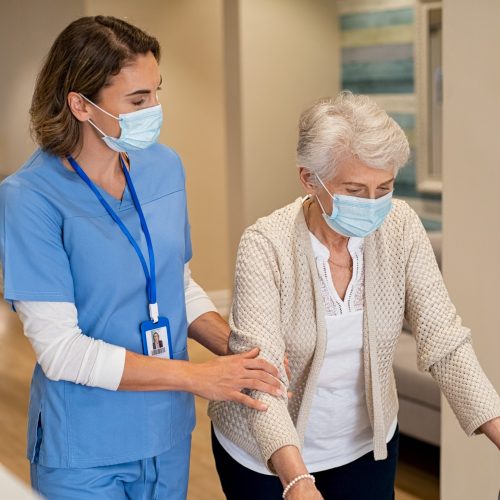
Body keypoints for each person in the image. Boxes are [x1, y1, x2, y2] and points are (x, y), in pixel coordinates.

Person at [0, 16, 282, 499]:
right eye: (138, 99)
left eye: (156, 92)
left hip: (166, 432)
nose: (155, 109)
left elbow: (177, 282)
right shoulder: (30, 197)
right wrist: (198, 376)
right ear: (80, 105)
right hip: (85, 447)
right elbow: (60, 350)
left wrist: (235, 348)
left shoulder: (163, 167)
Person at [208, 92, 500, 500]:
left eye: (385, 187)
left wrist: (497, 425)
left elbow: (444, 338)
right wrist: (296, 481)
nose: (374, 204)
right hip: (265, 453)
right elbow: (262, 378)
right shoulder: (266, 245)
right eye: (355, 189)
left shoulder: (400, 227)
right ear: (310, 178)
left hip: (365, 446)